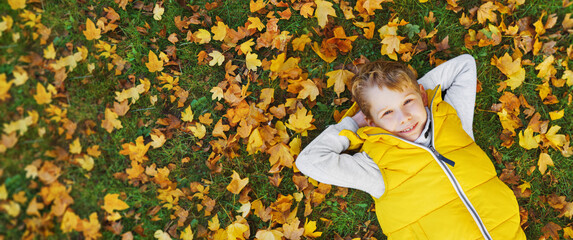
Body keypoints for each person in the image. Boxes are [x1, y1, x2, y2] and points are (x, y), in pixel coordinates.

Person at [295, 54, 526, 239]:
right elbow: (310, 160)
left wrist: (412, 89)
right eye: (387, 112)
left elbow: (464, 65)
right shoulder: (376, 167)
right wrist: (354, 123)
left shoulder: (454, 123)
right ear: (372, 122)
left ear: (423, 98)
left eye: (408, 102)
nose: (404, 117)